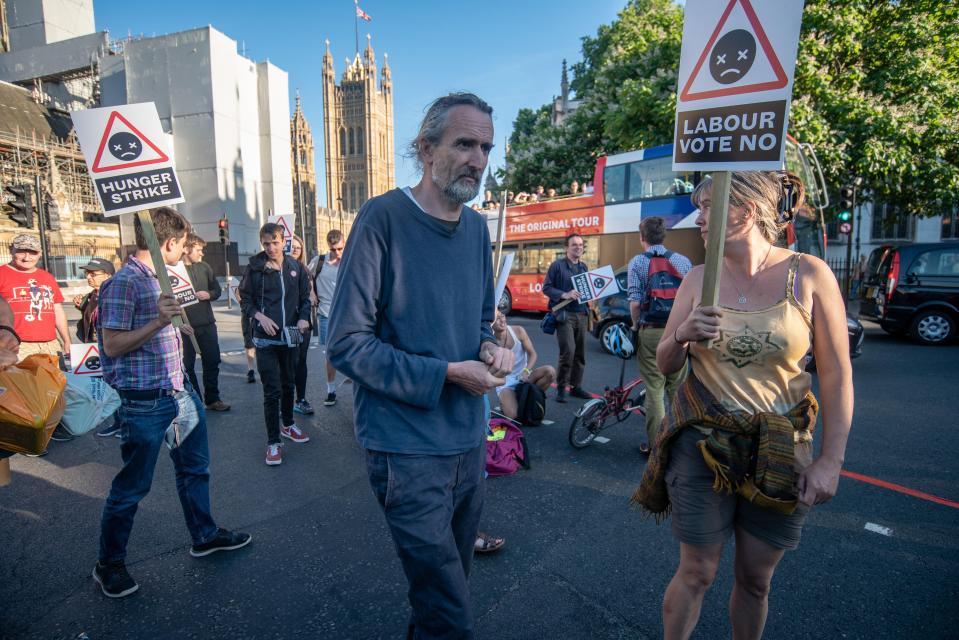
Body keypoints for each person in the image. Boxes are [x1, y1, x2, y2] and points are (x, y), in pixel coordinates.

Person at [632, 171, 854, 640]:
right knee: (697, 572)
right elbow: (667, 361)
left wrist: (830, 461)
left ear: (747, 210)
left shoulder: (809, 273)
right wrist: (682, 333)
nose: (699, 219)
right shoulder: (696, 279)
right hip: (703, 445)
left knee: (755, 580)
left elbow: (836, 374)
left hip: (779, 449)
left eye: (709, 205)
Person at [328, 92, 513, 640]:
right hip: (406, 451)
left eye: (485, 147)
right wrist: (449, 374)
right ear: (426, 149)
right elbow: (346, 344)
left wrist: (491, 349)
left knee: (443, 596)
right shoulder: (382, 218)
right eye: (464, 144)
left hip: (468, 443)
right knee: (449, 612)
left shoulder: (477, 230)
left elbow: (480, 325)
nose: (478, 160)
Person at [93, 207, 251, 599]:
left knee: (195, 470)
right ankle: (109, 564)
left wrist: (174, 328)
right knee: (133, 486)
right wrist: (158, 324)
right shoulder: (125, 282)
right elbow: (111, 346)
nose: (184, 251)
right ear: (169, 242)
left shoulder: (163, 278)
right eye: (182, 245)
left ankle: (204, 535)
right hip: (145, 401)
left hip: (179, 391)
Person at [239, 223, 313, 466]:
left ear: (284, 241)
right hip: (265, 339)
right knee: (272, 390)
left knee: (288, 383)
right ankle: (273, 442)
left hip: (290, 336)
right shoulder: (255, 267)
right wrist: (259, 316)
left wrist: (304, 318)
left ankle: (289, 425)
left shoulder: (296, 266)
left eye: (275, 242)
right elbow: (245, 299)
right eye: (266, 243)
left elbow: (305, 298)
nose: (271, 248)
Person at [627, 217, 692, 453]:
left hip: (651, 330)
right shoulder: (683, 261)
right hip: (678, 332)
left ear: (642, 237)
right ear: (663, 236)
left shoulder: (638, 262)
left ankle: (656, 447)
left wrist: (635, 327)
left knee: (654, 389)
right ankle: (680, 445)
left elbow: (635, 304)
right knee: (677, 388)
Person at [0, 234, 71, 361]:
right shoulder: (2, 274)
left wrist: (67, 340)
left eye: (33, 253)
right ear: (11, 250)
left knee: (54, 380)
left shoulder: (47, 277)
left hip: (50, 344)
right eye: (21, 252)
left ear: (40, 253)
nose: (27, 258)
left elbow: (57, 310)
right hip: (18, 346)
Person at [181, 235, 229, 412]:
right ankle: (195, 401)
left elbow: (216, 289)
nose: (202, 253)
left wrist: (209, 294)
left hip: (207, 324)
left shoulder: (205, 267)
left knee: (212, 361)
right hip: (185, 327)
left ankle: (213, 399)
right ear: (186, 249)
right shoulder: (174, 270)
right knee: (187, 366)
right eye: (198, 250)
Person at [542, 233, 590, 403]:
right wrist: (565, 294)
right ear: (566, 248)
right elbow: (546, 288)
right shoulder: (557, 266)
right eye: (574, 244)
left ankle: (576, 387)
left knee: (580, 354)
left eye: (580, 244)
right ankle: (562, 387)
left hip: (582, 314)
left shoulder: (584, 267)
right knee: (568, 352)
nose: (578, 247)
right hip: (564, 316)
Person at [490, 308, 556, 420]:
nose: (502, 320)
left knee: (550, 371)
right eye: (497, 319)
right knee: (514, 416)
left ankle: (531, 398)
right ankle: (507, 402)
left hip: (524, 376)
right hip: (505, 382)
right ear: (490, 323)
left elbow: (533, 354)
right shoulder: (489, 342)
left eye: (502, 316)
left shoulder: (518, 331)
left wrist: (526, 371)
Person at [313, 229, 345, 407]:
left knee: (354, 350)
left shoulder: (349, 261)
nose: (338, 253)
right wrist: (311, 292)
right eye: (334, 250)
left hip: (347, 315)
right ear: (328, 247)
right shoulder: (319, 262)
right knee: (330, 354)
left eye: (340, 248)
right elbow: (307, 277)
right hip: (325, 314)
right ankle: (331, 389)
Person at [289, 234, 316, 415]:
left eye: (298, 249)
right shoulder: (277, 269)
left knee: (300, 361)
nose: (294, 251)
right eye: (292, 247)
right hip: (286, 324)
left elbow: (312, 296)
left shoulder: (305, 270)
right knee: (287, 363)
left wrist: (312, 296)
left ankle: (301, 399)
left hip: (302, 324)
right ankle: (286, 402)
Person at [74, 258, 115, 343]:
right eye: (87, 273)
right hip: (94, 345)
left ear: (108, 275)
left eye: (93, 274)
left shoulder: (117, 295)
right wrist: (82, 306)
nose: (88, 277)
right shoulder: (93, 295)